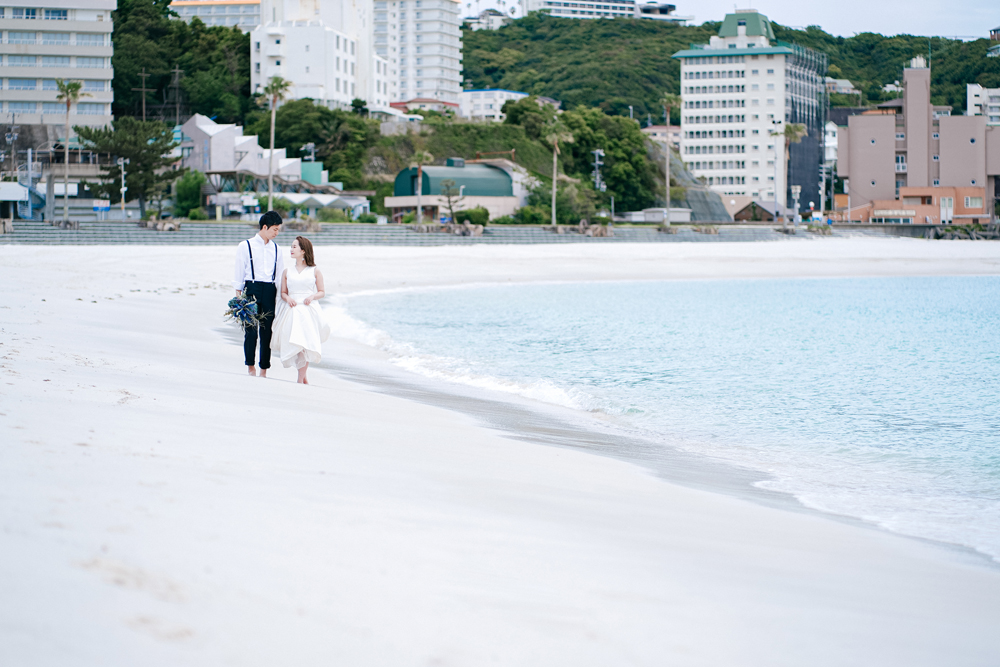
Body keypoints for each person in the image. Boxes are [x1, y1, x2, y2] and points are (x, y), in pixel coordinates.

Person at [270, 236, 330, 384]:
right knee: (295, 342)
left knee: (306, 343)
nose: (291, 249)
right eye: (291, 246)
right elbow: (283, 292)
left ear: (303, 250)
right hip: (292, 309)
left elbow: (322, 291)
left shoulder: (315, 271)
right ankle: (303, 377)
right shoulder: (287, 272)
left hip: (308, 309)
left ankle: (300, 378)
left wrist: (313, 296)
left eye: (294, 247)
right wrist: (288, 298)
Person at [233, 211, 284, 377]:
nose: (277, 233)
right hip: (251, 288)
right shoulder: (245, 245)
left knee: (266, 331)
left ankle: (264, 369)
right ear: (265, 227)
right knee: (251, 331)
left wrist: (280, 297)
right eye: (275, 229)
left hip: (270, 290)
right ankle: (250, 366)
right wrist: (239, 295)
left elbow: (279, 275)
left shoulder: (277, 249)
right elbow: (239, 270)